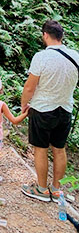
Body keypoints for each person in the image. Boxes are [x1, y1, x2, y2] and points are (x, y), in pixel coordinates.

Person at [21, 20, 79, 202]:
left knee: (41, 149)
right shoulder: (76, 56)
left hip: (43, 109)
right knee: (59, 150)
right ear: (61, 36)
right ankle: (56, 189)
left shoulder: (41, 57)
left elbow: (30, 87)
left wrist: (24, 105)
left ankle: (41, 189)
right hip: (65, 109)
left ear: (45, 35)